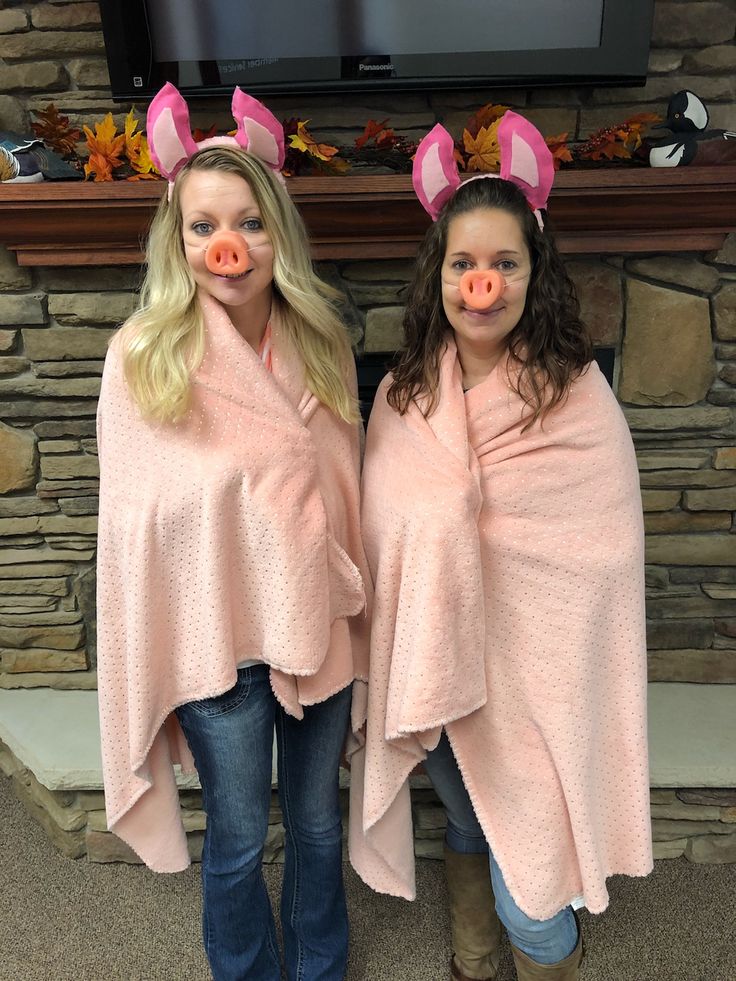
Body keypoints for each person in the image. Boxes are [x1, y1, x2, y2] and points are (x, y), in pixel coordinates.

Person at [347, 112, 653, 981]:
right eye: (464, 263)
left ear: (534, 274)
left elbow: (603, 559)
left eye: (504, 263)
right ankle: (472, 962)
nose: (483, 282)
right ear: (438, 275)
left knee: (533, 879)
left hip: (538, 679)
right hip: (439, 666)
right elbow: (386, 536)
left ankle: (541, 956)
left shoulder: (577, 398)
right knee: (471, 820)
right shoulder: (405, 396)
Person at [96, 82, 371, 981]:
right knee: (242, 836)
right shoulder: (144, 353)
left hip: (317, 620)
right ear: (176, 241)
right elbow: (141, 519)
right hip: (218, 634)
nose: (228, 246)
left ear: (278, 232)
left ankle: (320, 965)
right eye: (203, 226)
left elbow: (348, 488)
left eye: (250, 222)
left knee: (319, 821)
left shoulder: (322, 340)